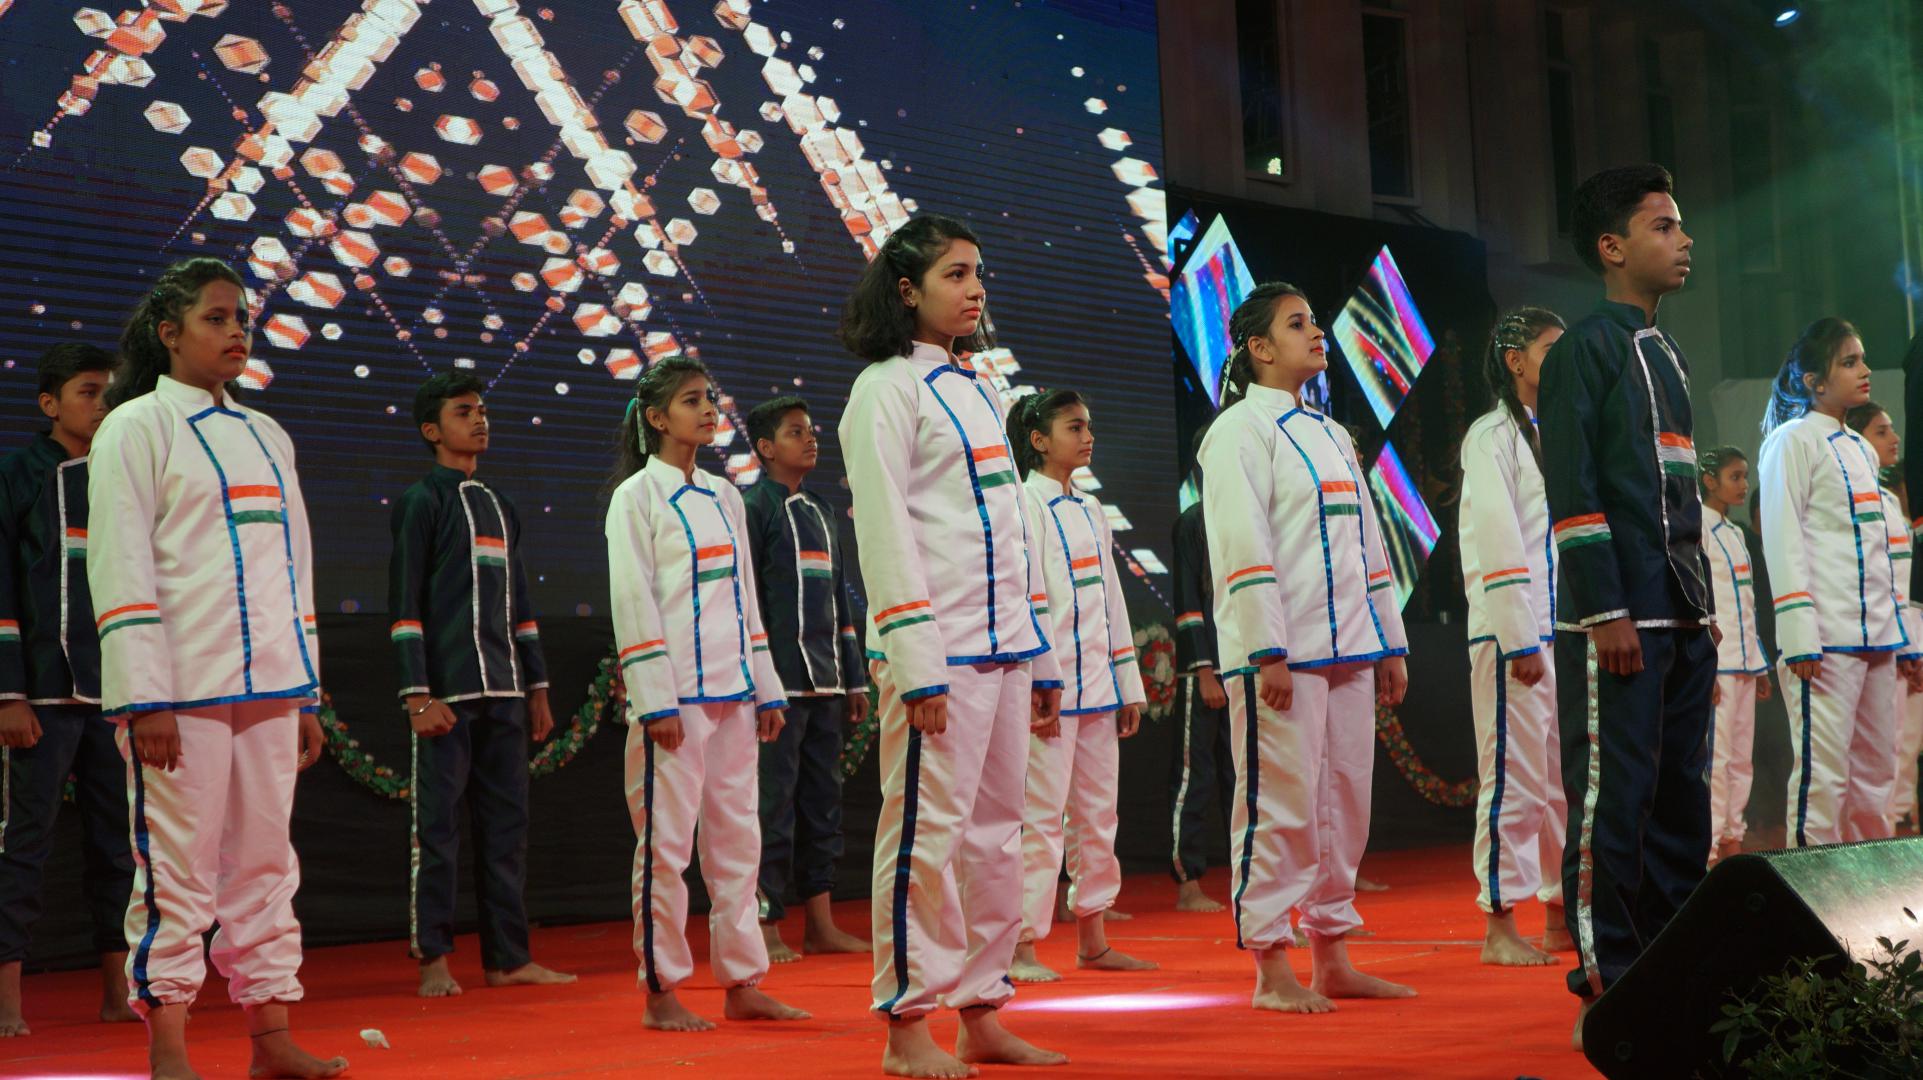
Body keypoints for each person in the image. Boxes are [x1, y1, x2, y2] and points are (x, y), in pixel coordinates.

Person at [86, 257, 344, 1078]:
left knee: (266, 864)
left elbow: (296, 568)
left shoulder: (269, 434)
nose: (237, 332)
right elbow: (120, 563)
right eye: (217, 318)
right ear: (170, 333)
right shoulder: (136, 426)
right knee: (177, 869)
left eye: (243, 319)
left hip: (271, 686)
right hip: (181, 690)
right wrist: (144, 697)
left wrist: (306, 692)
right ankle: (169, 1048)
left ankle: (270, 1041)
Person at [838, 214, 1067, 1077]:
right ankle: (906, 1025)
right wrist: (915, 661)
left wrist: (1039, 655)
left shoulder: (974, 389)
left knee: (998, 835)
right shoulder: (884, 389)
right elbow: (883, 532)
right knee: (925, 839)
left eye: (978, 273)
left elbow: (1011, 533)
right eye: (955, 274)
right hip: (941, 652)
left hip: (1004, 648)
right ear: (907, 290)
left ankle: (982, 1011)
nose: (975, 289)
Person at [1537, 164, 1716, 1048]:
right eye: (1663, 227)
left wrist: (1703, 612)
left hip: (1682, 613)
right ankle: (1606, 985)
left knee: (1683, 803)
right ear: (1611, 248)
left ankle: (1672, 974)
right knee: (1616, 802)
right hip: (1622, 620)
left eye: (1679, 225)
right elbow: (1571, 490)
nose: (1683, 240)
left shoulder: (1667, 352)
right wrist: (1603, 608)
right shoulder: (1583, 350)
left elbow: (1678, 496)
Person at [1199, 281, 1414, 1014]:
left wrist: (1389, 642)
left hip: (1350, 646)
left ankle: (1332, 958)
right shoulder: (1237, 430)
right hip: (1282, 655)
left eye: (1315, 320)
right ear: (1259, 348)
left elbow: (1368, 542)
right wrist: (1266, 649)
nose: (1317, 332)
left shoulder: (1329, 432)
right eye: (1298, 324)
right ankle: (1270, 968)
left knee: (1344, 802)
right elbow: (1241, 542)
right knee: (1279, 806)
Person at [605, 355, 807, 1032]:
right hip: (676, 702)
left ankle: (743, 981)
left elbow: (745, 595)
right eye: (692, 400)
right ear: (657, 418)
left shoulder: (725, 495)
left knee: (737, 842)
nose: (709, 409)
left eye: (710, 398)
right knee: (666, 849)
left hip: (734, 695)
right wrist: (655, 700)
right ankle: (661, 989)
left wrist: (766, 687)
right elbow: (632, 601)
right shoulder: (636, 497)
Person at [388, 371, 575, 999]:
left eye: (483, 410)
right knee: (438, 832)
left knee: (506, 831)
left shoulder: (501, 505)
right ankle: (434, 958)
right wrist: (418, 695)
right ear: (431, 430)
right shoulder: (422, 502)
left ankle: (508, 959)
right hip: (447, 698)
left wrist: (538, 688)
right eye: (464, 411)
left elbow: (520, 605)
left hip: (507, 694)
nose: (479, 419)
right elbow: (404, 604)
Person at [0, 343, 136, 1037]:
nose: (103, 403)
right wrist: (9, 694)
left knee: (119, 847)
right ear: (50, 403)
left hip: (114, 697)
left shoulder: (124, 475)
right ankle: (7, 1003)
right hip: (41, 696)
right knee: (23, 845)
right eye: (89, 391)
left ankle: (119, 994)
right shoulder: (17, 474)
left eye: (110, 390)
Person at [1005, 388, 1156, 983]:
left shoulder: (1091, 508)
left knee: (1097, 814)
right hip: (1050, 690)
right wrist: (1041, 677)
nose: (1088, 436)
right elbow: (1028, 599)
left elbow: (1111, 599)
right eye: (1074, 427)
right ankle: (1020, 945)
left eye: (1088, 425)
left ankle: (1093, 939)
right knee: (1040, 817)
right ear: (1038, 440)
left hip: (1097, 686)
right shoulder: (1025, 503)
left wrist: (1127, 683)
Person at [1760, 329, 1916, 848]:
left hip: (1878, 638)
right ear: (1814, 381)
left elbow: (1881, 554)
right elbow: (1782, 537)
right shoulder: (1792, 440)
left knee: (1876, 777)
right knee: (1822, 779)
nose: (1864, 371)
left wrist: (1903, 638)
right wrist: (1798, 634)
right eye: (1849, 362)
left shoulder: (1861, 449)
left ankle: (1873, 888)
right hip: (1824, 642)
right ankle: (1809, 893)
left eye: (1863, 360)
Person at [1457, 307, 1571, 966]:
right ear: (1515, 359)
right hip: (1515, 635)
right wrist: (1517, 637)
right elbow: (1496, 538)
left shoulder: (1560, 430)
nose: (1564, 359)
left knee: (1560, 782)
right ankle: (1499, 923)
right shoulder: (1489, 436)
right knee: (1513, 777)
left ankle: (1559, 911)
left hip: (1562, 628)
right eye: (1552, 349)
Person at [740, 395, 871, 963]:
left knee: (823, 804)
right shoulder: (753, 508)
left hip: (827, 683)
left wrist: (855, 680)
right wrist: (759, 682)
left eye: (812, 430)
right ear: (766, 448)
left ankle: (820, 924)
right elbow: (746, 602)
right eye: (796, 432)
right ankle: (766, 924)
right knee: (771, 805)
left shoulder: (821, 510)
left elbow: (840, 600)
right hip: (778, 687)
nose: (811, 438)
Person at [1843, 401, 1923, 834]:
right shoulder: (1849, 497)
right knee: (1859, 755)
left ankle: (1887, 834)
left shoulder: (1890, 501)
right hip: (1863, 637)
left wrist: (1911, 645)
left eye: (1892, 429)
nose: (1895, 439)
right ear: (1857, 439)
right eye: (1882, 431)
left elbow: (1900, 584)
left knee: (1893, 748)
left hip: (1897, 638)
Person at [1168, 427, 1234, 913]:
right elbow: (1187, 601)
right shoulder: (1193, 521)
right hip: (1204, 671)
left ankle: (1249, 875)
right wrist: (1204, 669)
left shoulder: (1246, 517)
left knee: (1242, 776)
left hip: (1243, 666)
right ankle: (1188, 880)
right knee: (1196, 776)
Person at [1697, 447, 1771, 863]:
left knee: (1742, 758)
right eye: (1735, 477)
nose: (1744, 485)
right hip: (1720, 664)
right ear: (1710, 480)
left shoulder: (1736, 533)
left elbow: (1747, 604)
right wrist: (1704, 667)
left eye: (1745, 476)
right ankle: (1708, 848)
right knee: (1718, 758)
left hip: (1744, 663)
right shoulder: (1697, 527)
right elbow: (1701, 602)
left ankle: (1732, 839)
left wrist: (1759, 664)